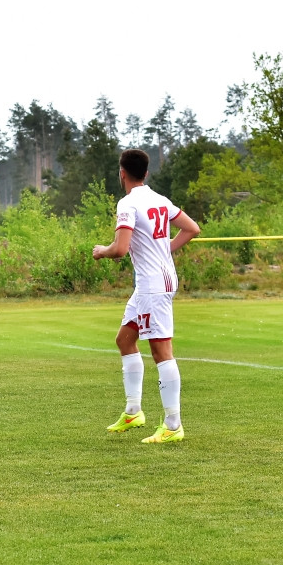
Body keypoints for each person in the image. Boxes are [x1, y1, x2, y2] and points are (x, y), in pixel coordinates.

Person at [93, 148, 200, 443]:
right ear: (147, 174)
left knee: (161, 351)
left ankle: (173, 425)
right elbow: (192, 229)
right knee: (125, 339)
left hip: (154, 284)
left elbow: (120, 249)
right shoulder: (159, 200)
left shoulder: (128, 204)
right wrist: (165, 249)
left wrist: (101, 251)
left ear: (122, 173)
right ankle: (133, 411)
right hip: (151, 283)